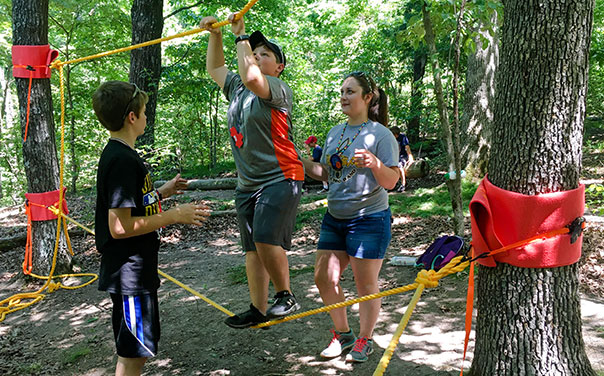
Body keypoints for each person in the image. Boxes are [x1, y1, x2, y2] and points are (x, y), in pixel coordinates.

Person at [92, 81, 211, 376]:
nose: (147, 116)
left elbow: (132, 206)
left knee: (140, 350)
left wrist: (162, 193)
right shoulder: (119, 160)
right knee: (133, 353)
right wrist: (174, 215)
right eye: (144, 111)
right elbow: (119, 226)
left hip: (136, 271)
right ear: (131, 117)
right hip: (128, 273)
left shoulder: (124, 155)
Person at [200, 14, 304, 329]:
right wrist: (215, 35)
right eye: (254, 53)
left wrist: (241, 36)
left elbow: (251, 77)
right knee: (251, 249)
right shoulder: (237, 89)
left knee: (264, 238)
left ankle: (286, 295)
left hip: (280, 177)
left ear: (278, 67)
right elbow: (216, 69)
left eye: (265, 55)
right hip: (247, 184)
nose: (257, 57)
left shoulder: (276, 88)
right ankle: (258, 309)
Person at [302, 71, 399, 363]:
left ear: (367, 98)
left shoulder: (381, 135)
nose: (343, 97)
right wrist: (299, 162)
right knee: (323, 278)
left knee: (364, 284)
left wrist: (375, 163)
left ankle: (365, 339)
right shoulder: (334, 132)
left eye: (350, 91)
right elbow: (327, 173)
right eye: (342, 91)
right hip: (335, 216)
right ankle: (343, 334)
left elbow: (392, 180)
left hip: (369, 218)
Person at [389, 126, 414, 192]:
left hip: (402, 156)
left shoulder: (402, 137)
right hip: (394, 156)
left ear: (396, 135)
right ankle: (394, 183)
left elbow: (407, 147)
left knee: (399, 165)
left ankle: (403, 184)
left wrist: (410, 157)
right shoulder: (389, 138)